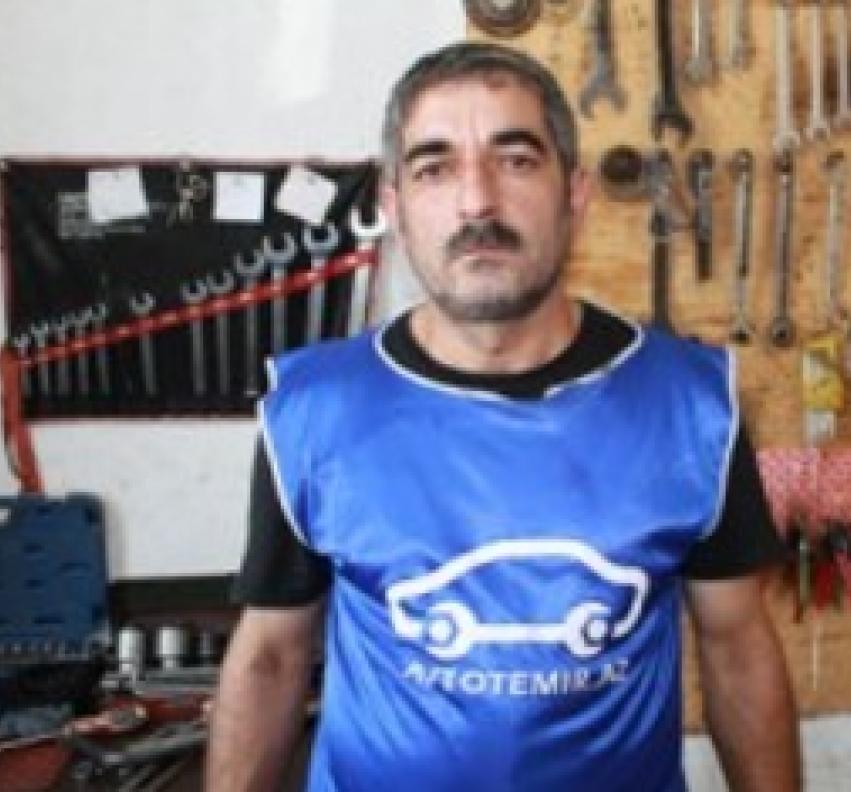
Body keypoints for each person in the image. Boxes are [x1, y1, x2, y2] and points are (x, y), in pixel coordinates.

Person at [207, 40, 801, 792]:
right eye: (434, 168)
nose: (477, 202)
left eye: (515, 160)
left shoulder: (693, 406)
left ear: (575, 194)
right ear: (392, 208)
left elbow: (737, 647)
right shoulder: (311, 411)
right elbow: (270, 657)